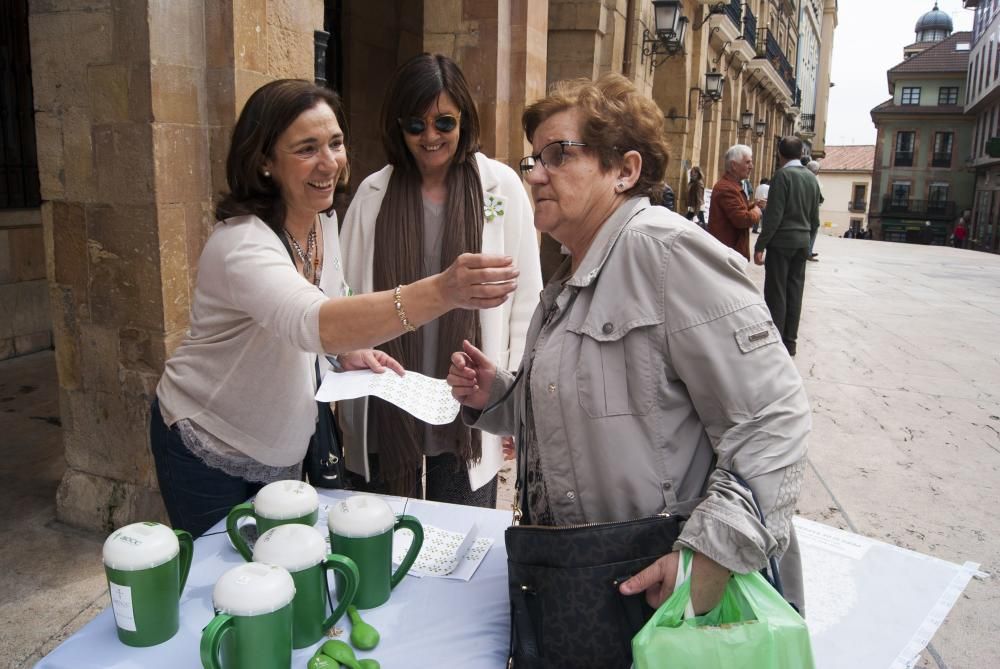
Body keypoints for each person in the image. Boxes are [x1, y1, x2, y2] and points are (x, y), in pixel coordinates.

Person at [448, 74, 810, 618]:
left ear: (625, 170)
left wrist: (708, 558)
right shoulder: (574, 272)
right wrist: (497, 395)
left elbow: (773, 416)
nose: (536, 174)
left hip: (667, 591)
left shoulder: (665, 253)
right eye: (533, 159)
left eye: (558, 154)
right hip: (593, 582)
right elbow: (591, 408)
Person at [150, 79, 520, 537]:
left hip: (281, 446)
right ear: (265, 161)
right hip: (209, 443)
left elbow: (326, 309)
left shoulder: (321, 221)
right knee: (222, 584)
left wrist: (342, 356)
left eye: (336, 143)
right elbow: (311, 321)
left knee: (278, 573)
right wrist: (444, 290)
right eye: (307, 149)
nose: (329, 163)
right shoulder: (241, 243)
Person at [339, 54, 543, 506]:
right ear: (399, 128)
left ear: (463, 120)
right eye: (416, 125)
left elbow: (526, 301)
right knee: (386, 525)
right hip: (390, 389)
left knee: (462, 529)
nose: (430, 137)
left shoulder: (502, 187)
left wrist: (512, 397)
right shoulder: (372, 196)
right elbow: (345, 298)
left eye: (443, 123)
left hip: (466, 388)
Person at [753, 136, 822, 358]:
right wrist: (808, 242)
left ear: (779, 154)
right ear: (801, 152)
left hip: (782, 242)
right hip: (802, 242)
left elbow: (774, 216)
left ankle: (776, 342)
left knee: (776, 291)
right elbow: (815, 218)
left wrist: (760, 244)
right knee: (795, 291)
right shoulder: (811, 178)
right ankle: (790, 342)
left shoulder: (782, 176)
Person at [707, 145, 762, 261]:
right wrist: (757, 212)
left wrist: (753, 205)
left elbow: (737, 209)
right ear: (733, 165)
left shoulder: (732, 186)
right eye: (747, 162)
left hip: (731, 252)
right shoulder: (727, 188)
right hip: (728, 254)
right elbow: (742, 219)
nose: (751, 167)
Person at [805, 160, 824, 260]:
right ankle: (808, 252)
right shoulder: (813, 179)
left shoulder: (803, 177)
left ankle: (807, 251)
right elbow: (818, 196)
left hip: (803, 208)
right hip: (811, 209)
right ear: (816, 171)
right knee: (813, 229)